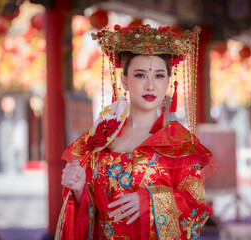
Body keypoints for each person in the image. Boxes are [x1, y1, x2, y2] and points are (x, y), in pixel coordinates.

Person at [55, 24, 217, 240]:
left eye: (159, 76)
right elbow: (92, 210)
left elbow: (194, 208)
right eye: (140, 75)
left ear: (168, 81)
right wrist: (79, 187)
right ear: (125, 81)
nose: (150, 86)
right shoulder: (101, 139)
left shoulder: (180, 144)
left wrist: (151, 199)